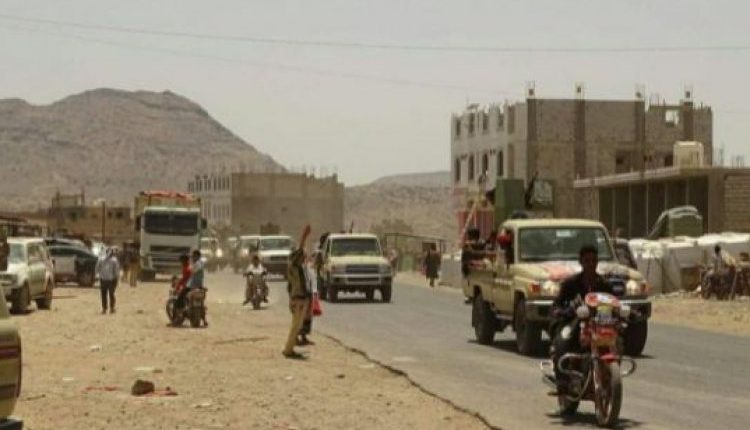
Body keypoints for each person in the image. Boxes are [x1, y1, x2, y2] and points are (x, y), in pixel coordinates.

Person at [550, 245, 613, 395]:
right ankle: (562, 383)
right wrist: (565, 311)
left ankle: (608, 373)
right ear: (581, 262)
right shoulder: (570, 283)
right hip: (575, 323)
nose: (591, 264)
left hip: (599, 324)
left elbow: (613, 303)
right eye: (587, 260)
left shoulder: (604, 284)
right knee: (562, 341)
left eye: (594, 260)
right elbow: (556, 305)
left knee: (619, 338)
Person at [283, 224, 312, 359]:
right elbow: (300, 250)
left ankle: (289, 348)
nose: (303, 257)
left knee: (297, 325)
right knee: (296, 326)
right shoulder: (294, 266)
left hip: (299, 298)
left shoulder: (297, 268)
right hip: (298, 298)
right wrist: (304, 236)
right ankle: (288, 350)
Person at [186, 250, 208, 327]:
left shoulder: (198, 263)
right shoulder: (198, 263)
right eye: (193, 256)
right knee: (201, 303)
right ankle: (204, 320)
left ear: (198, 256)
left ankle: (204, 319)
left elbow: (192, 270)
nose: (193, 257)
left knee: (199, 303)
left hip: (195, 285)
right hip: (197, 285)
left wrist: (191, 264)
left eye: (194, 256)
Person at [96, 248, 121, 314]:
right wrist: (117, 278)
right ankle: (112, 308)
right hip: (111, 280)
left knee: (103, 294)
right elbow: (116, 271)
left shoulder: (101, 259)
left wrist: (99, 275)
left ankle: (104, 309)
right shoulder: (114, 260)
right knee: (111, 294)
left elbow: (97, 269)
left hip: (103, 279)